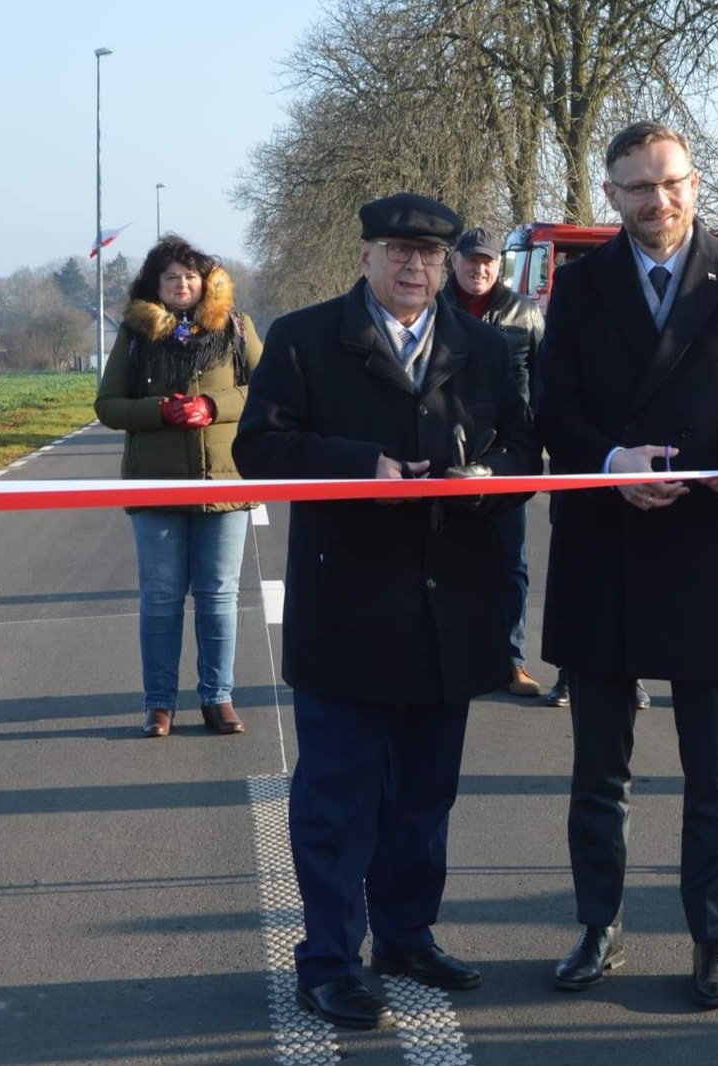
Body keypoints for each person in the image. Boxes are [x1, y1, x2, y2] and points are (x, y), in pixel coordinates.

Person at [234, 193, 540, 1031]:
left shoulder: (486, 345)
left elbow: (524, 445)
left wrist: (488, 481)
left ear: (447, 266)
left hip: (451, 606)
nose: (415, 266)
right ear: (365, 255)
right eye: (398, 251)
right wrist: (355, 465)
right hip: (348, 605)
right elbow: (258, 449)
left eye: (430, 255)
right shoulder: (304, 339)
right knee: (337, 802)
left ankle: (406, 936)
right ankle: (329, 962)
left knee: (423, 798)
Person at [537, 121, 718, 1009]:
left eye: (673, 182)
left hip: (704, 545)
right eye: (640, 187)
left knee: (713, 774)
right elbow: (552, 409)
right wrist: (610, 463)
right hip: (602, 544)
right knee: (598, 771)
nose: (660, 201)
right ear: (611, 195)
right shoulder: (579, 287)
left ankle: (712, 939)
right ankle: (597, 926)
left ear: (695, 182)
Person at [94, 235, 261, 739]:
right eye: (171, 277)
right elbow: (108, 405)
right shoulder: (134, 333)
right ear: (156, 286)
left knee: (218, 596)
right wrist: (160, 412)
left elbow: (268, 390)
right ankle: (159, 704)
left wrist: (213, 407)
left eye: (190, 276)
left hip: (224, 483)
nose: (182, 285)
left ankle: (218, 698)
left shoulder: (236, 326)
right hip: (155, 486)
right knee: (162, 597)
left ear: (206, 282)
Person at [443, 225, 547, 698]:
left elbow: (544, 382)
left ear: (498, 264)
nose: (479, 269)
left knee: (511, 562)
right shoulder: (433, 308)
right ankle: (455, 656)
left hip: (507, 454)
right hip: (447, 453)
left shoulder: (526, 313)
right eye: (471, 260)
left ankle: (512, 661)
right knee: (450, 561)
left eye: (487, 261)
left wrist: (537, 442)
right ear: (454, 261)